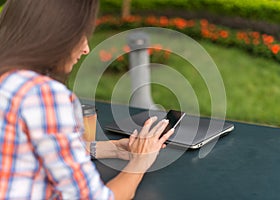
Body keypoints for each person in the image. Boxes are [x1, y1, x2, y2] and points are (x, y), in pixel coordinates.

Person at [0, 0, 174, 199]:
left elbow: (20, 151)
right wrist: (140, 161)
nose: (86, 49)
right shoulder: (41, 94)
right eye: (80, 36)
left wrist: (111, 148)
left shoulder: (8, 81)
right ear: (54, 35)